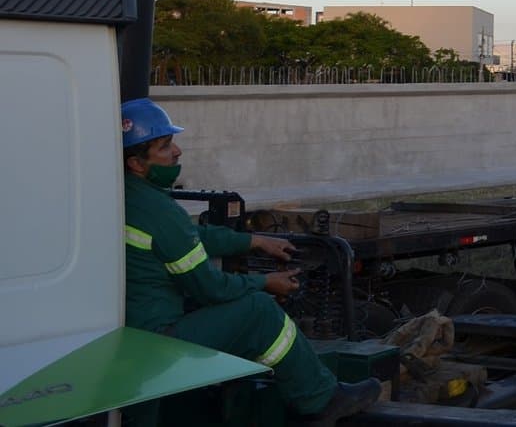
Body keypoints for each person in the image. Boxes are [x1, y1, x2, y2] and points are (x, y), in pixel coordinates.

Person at [120, 98, 381, 425]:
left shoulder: (127, 197)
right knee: (259, 313)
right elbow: (210, 289)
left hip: (132, 334)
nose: (178, 152)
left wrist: (254, 240)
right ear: (137, 164)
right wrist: (265, 282)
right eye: (165, 145)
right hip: (158, 339)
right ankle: (319, 398)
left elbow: (188, 236)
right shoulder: (160, 211)